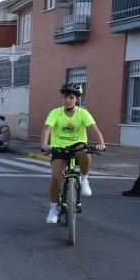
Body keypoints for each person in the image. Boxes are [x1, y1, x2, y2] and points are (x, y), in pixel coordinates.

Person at [41, 82, 106, 224]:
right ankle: (53, 209)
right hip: (59, 148)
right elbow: (47, 129)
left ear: (77, 99)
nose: (67, 100)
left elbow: (94, 129)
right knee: (56, 177)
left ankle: (84, 180)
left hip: (77, 147)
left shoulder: (83, 113)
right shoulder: (55, 112)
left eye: (71, 97)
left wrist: (101, 143)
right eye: (65, 97)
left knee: (86, 153)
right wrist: (44, 145)